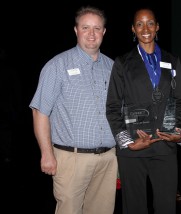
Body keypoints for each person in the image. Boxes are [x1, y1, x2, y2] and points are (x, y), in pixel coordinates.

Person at [29, 6, 117, 214]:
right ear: (76, 30)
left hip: (107, 160)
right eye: (85, 27)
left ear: (104, 32)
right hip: (71, 160)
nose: (92, 33)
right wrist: (46, 154)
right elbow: (40, 111)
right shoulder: (57, 65)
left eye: (97, 28)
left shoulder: (113, 67)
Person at [106, 8, 181, 214]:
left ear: (157, 27)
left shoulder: (172, 60)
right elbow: (113, 106)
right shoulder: (122, 63)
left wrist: (178, 133)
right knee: (134, 207)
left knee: (166, 206)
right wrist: (128, 143)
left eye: (150, 23)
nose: (145, 29)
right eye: (139, 24)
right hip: (134, 148)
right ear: (133, 29)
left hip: (164, 145)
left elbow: (179, 101)